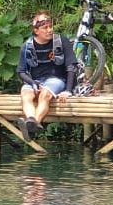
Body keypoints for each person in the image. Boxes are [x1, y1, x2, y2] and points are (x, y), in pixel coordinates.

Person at [16, 10, 77, 140]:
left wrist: (68, 90)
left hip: (56, 79)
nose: (49, 30)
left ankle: (32, 126)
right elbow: (21, 71)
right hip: (35, 80)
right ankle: (32, 122)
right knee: (26, 95)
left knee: (44, 95)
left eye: (50, 27)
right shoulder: (26, 46)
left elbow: (71, 66)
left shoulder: (61, 41)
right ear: (36, 30)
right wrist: (32, 83)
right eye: (45, 28)